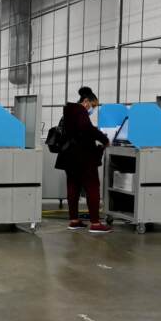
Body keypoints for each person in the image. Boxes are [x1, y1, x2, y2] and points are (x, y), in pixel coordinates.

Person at [55, 86, 112, 233]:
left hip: (69, 156)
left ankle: (74, 220)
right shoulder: (80, 111)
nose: (92, 109)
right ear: (86, 101)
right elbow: (87, 129)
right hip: (83, 157)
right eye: (93, 106)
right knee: (92, 187)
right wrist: (104, 139)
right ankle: (95, 223)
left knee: (73, 186)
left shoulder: (68, 111)